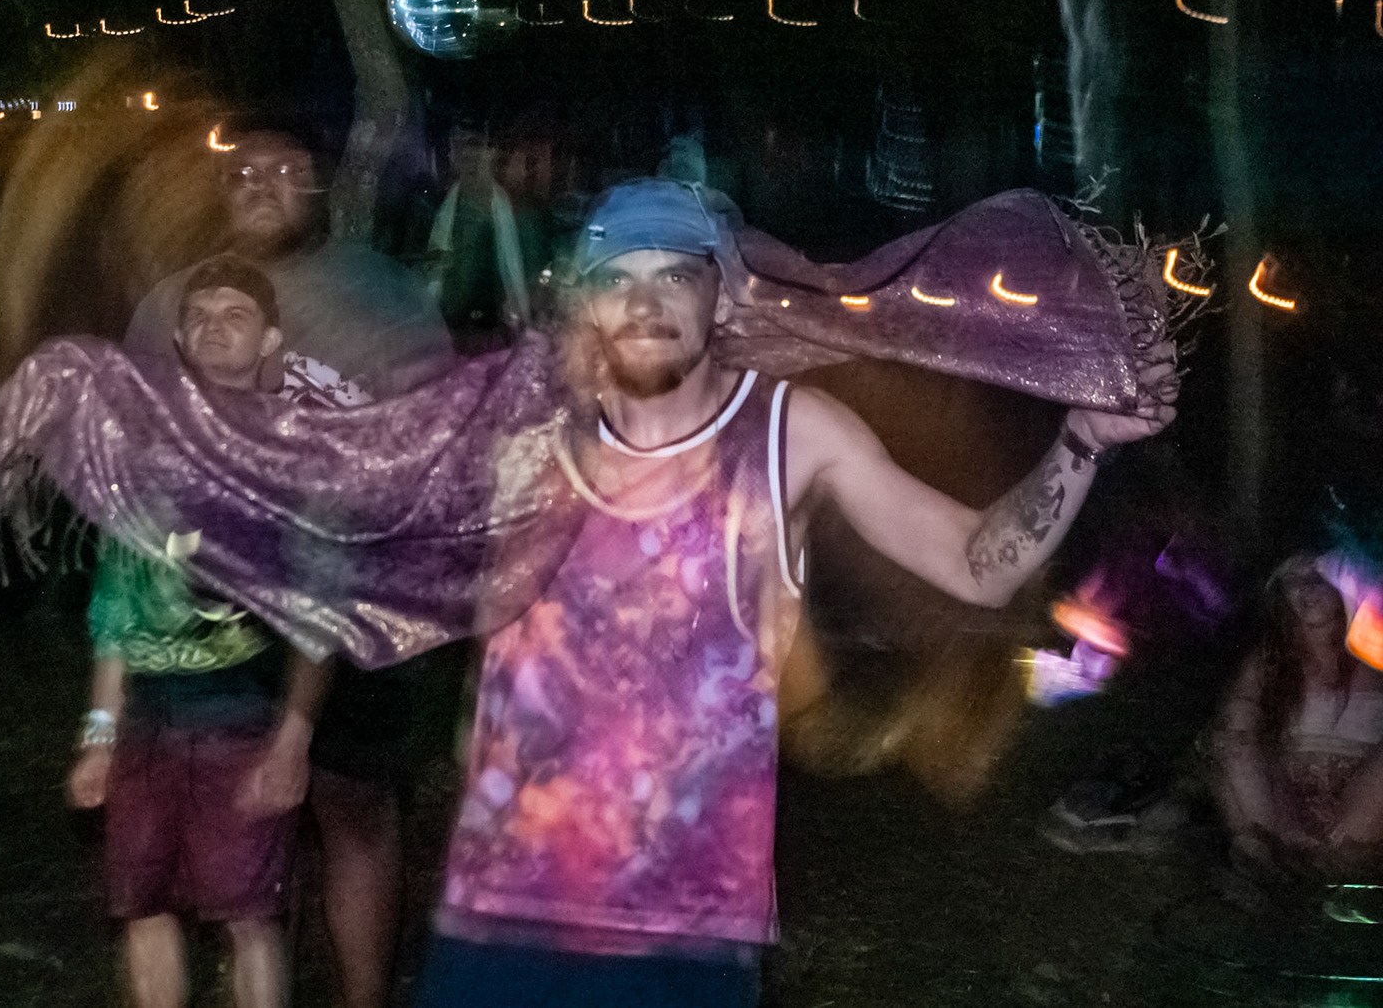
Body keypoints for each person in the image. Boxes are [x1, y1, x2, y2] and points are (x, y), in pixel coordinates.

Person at [411, 178, 1174, 1007]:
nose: (645, 302)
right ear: (586, 303)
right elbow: (491, 635)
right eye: (617, 277)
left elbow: (976, 567)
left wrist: (1082, 443)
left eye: (674, 274)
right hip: (503, 910)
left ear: (720, 297)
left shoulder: (787, 435)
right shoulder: (527, 440)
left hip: (683, 925)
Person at [121, 118, 455, 1008]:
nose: (262, 184)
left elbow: (431, 446)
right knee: (244, 810)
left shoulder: (382, 296)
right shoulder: (174, 303)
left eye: (285, 168)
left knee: (352, 806)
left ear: (319, 186)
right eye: (243, 173)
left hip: (357, 597)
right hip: (216, 610)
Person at [70, 255, 330, 1008]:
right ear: (180, 339)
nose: (215, 328)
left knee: (249, 918)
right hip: (147, 726)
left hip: (242, 721)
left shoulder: (292, 458)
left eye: (235, 316)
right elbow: (116, 607)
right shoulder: (142, 454)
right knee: (143, 907)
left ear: (270, 340)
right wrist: (98, 734)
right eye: (201, 317)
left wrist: (293, 739)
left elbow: (321, 615)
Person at [1214, 554, 1383, 881]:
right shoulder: (1269, 661)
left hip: (1360, 808)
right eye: (1294, 580)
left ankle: (1331, 861)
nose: (1307, 589)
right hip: (1286, 805)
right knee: (1231, 738)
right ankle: (1274, 854)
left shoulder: (1376, 652)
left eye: (1319, 577)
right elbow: (1236, 727)